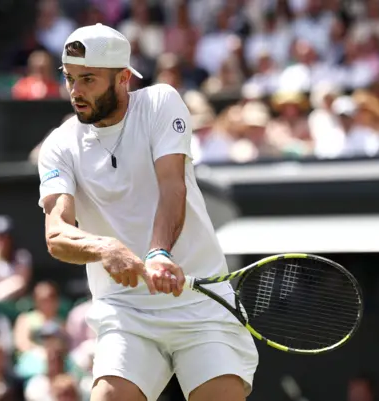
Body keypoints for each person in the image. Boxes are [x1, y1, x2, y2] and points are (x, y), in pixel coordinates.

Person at [36, 23, 258, 401]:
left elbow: (172, 186)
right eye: (70, 78)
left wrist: (158, 252)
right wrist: (107, 248)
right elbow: (56, 235)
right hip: (125, 312)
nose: (76, 91)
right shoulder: (59, 145)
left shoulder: (160, 103)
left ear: (123, 78)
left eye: (88, 79)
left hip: (201, 302)